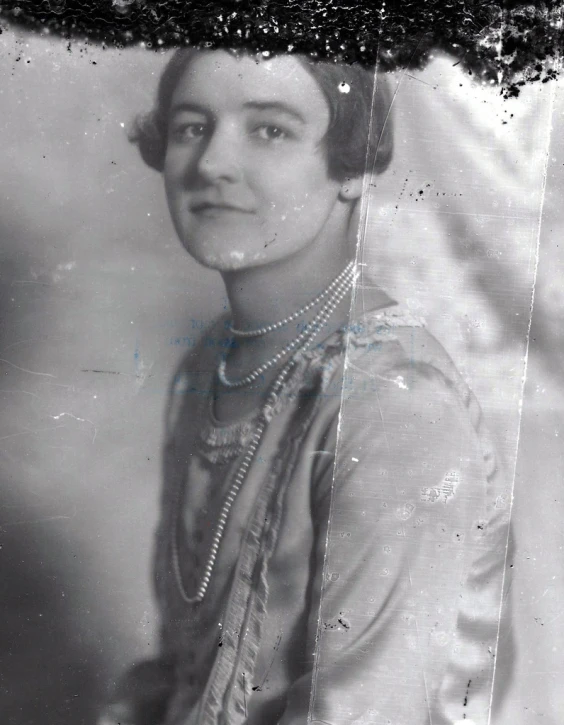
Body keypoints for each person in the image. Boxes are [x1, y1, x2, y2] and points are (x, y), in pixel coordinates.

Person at [99, 46, 511, 725]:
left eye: (270, 130)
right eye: (191, 127)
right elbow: (183, 672)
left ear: (351, 164)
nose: (212, 165)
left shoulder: (392, 406)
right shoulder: (211, 364)